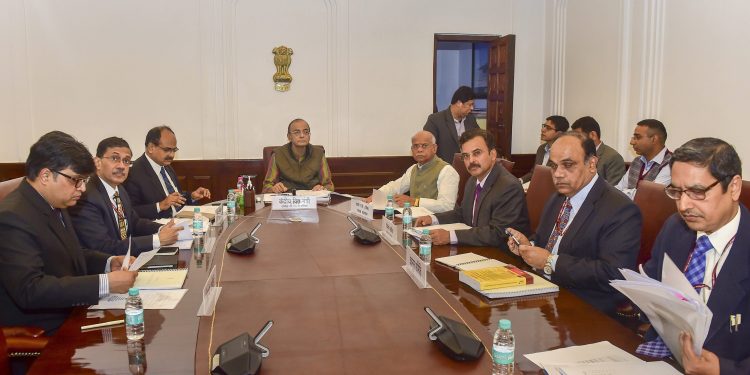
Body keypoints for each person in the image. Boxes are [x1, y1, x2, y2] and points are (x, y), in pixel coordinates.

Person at [0, 131, 136, 334]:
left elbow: (68, 253)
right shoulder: (13, 217)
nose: (82, 188)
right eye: (76, 180)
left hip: (73, 311)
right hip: (44, 331)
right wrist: (105, 283)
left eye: (84, 180)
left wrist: (108, 262)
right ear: (45, 176)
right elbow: (31, 290)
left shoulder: (55, 201)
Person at [639, 138, 749, 375]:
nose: (684, 205)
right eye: (677, 192)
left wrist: (724, 369)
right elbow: (651, 283)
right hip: (660, 359)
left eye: (697, 192)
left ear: (734, 187)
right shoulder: (674, 227)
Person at [506, 131, 641, 315]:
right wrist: (528, 246)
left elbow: (613, 274)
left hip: (584, 306)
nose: (558, 174)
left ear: (592, 164)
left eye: (568, 165)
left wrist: (550, 262)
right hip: (543, 292)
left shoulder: (620, 209)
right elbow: (545, 241)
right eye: (553, 166)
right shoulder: (558, 197)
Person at [414, 129, 530, 249]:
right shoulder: (473, 180)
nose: (471, 161)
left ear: (493, 155)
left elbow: (498, 234)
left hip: (502, 256)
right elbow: (463, 213)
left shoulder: (508, 186)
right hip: (478, 249)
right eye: (466, 156)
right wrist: (433, 218)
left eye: (477, 153)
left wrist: (450, 236)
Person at [69, 137, 182, 256]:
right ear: (97, 162)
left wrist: (162, 229)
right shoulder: (87, 198)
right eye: (114, 158)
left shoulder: (120, 189)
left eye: (126, 161)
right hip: (108, 267)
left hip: (128, 259)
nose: (121, 166)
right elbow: (103, 247)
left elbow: (134, 222)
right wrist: (158, 240)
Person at [123, 126, 211, 219]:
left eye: (174, 150)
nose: (172, 155)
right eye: (167, 150)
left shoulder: (165, 165)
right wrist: (160, 205)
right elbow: (130, 211)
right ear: (151, 148)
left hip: (181, 220)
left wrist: (192, 196)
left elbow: (173, 196)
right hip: (158, 227)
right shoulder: (134, 173)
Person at [365, 130, 459, 213]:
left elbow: (446, 206)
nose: (419, 149)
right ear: (411, 150)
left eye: (424, 146)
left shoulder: (447, 170)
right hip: (415, 220)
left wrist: (414, 201)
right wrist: (376, 196)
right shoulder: (413, 168)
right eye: (416, 146)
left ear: (434, 148)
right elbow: (395, 186)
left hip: (439, 224)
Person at [262, 118, 334, 193]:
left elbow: (329, 185)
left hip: (311, 199)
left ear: (309, 135)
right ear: (289, 136)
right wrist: (274, 189)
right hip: (287, 199)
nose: (302, 135)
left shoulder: (318, 153)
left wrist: (322, 189)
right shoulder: (278, 154)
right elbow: (267, 187)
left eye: (306, 132)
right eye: (297, 132)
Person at [615, 119, 672, 199]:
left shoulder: (672, 163)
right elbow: (619, 188)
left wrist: (621, 193)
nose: (632, 142)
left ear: (654, 139)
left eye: (637, 137)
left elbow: (649, 195)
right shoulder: (637, 161)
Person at [423, 86, 480, 163]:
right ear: (459, 103)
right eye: (469, 105)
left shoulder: (471, 119)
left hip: (468, 168)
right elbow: (427, 148)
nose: (472, 108)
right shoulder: (435, 120)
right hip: (444, 169)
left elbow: (480, 140)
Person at [570, 116, 626, 185]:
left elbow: (614, 189)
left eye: (579, 136)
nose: (575, 141)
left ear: (593, 135)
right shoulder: (577, 155)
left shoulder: (613, 157)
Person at [519, 115, 569, 184]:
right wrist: (520, 180)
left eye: (548, 128)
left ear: (559, 133)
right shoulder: (541, 148)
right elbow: (534, 172)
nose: (543, 130)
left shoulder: (564, 152)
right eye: (544, 126)